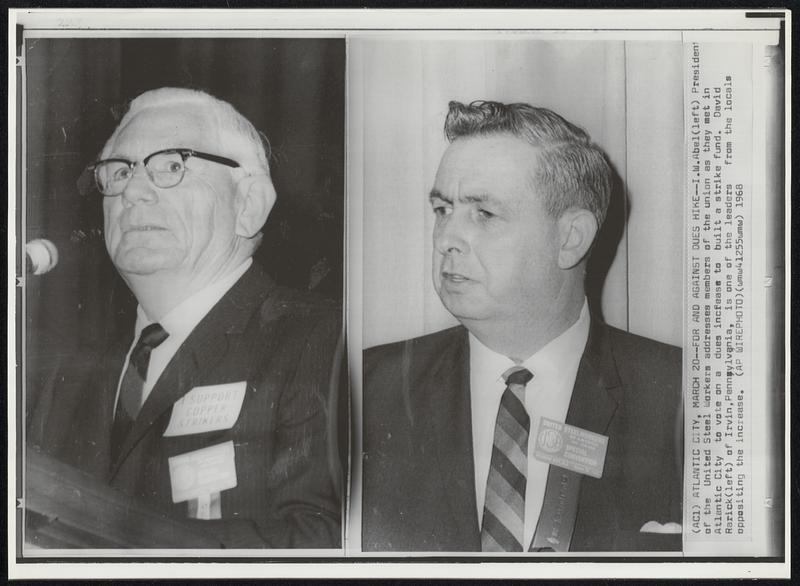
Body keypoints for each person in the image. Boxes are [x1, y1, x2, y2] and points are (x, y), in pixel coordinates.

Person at [362, 100, 682, 552]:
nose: (447, 239)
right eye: (442, 210)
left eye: (484, 214)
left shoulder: (684, 396)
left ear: (571, 239)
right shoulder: (364, 390)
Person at [31, 88, 342, 548]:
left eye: (172, 165)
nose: (132, 192)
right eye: (118, 172)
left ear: (248, 204)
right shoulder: (65, 376)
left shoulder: (325, 340)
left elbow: (326, 539)